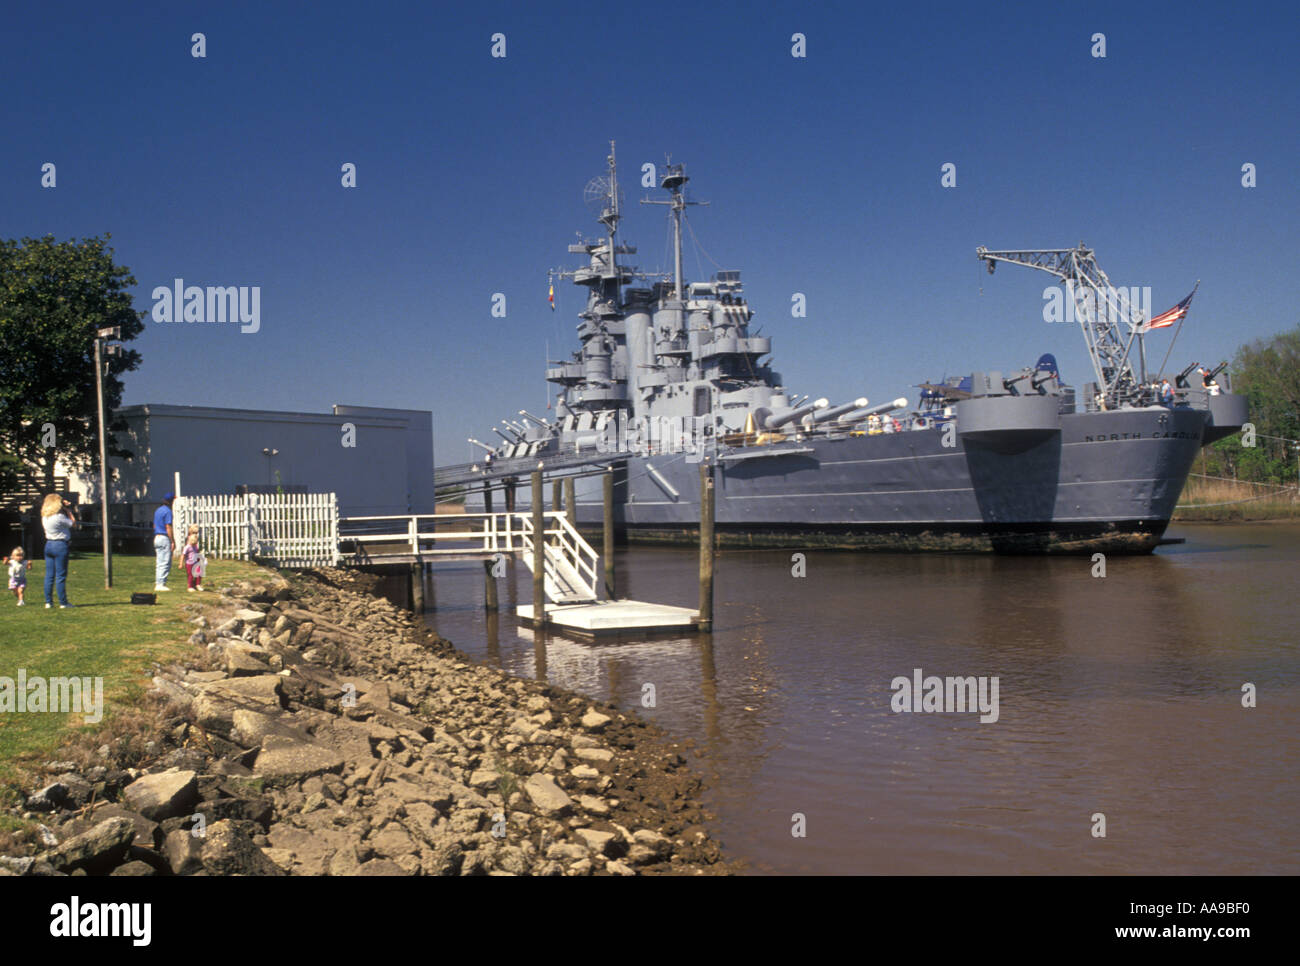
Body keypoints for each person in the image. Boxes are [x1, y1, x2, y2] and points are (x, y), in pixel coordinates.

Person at [40, 494, 76, 608]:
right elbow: (73, 523)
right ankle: (63, 602)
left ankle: (48, 602)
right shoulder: (59, 517)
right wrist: (68, 510)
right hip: (60, 545)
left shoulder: (44, 517)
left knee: (49, 575)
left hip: (49, 544)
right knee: (60, 576)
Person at [153, 492, 176, 591]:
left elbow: (154, 525)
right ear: (171, 501)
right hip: (164, 537)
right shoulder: (168, 511)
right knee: (166, 561)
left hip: (156, 537)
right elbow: (168, 526)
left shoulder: (158, 510)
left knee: (159, 561)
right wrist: (172, 541)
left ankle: (158, 582)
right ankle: (161, 584)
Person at [182, 526, 205, 592]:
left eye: (196, 533)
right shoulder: (189, 540)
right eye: (194, 532)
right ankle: (191, 585)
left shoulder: (195, 540)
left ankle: (197, 584)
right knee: (191, 574)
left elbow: (195, 550)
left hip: (196, 559)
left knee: (199, 571)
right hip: (190, 561)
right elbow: (186, 552)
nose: (195, 534)